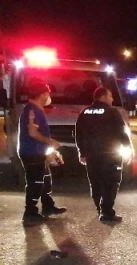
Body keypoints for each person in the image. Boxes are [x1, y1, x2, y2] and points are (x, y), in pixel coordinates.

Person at [75, 87, 131, 222]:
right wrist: (128, 148)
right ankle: (107, 212)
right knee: (111, 182)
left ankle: (99, 208)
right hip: (110, 154)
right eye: (110, 96)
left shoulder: (85, 112)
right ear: (103, 96)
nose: (112, 99)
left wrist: (82, 152)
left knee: (95, 182)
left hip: (91, 155)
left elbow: (78, 134)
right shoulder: (112, 112)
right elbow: (121, 132)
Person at [17, 82, 67, 224]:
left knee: (45, 179)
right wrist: (50, 141)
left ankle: (48, 206)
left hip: (38, 151)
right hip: (31, 153)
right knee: (35, 182)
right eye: (48, 93)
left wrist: (50, 152)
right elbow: (33, 133)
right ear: (43, 94)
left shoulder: (36, 110)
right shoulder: (32, 110)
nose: (49, 97)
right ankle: (30, 212)